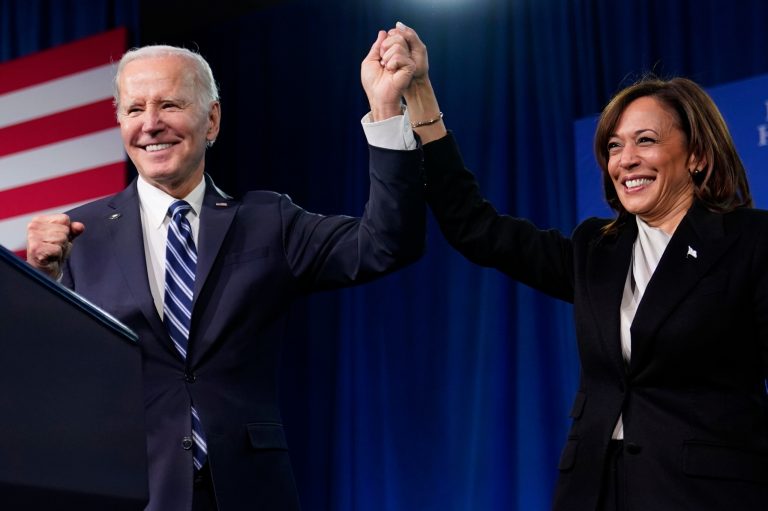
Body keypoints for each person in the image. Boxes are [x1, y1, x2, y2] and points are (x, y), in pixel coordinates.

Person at [25, 30, 425, 511]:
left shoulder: (267, 220)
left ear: (211, 119)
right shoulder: (77, 234)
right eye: (134, 110)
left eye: (169, 105)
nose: (150, 124)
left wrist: (384, 111)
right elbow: (45, 379)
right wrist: (42, 284)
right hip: (130, 492)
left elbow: (386, 244)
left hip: (251, 491)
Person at [374, 23, 768, 511]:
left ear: (698, 156)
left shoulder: (751, 241)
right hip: (593, 489)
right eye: (613, 146)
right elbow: (476, 228)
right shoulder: (594, 250)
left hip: (704, 494)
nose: (625, 160)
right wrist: (421, 99)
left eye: (644, 140)